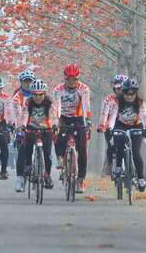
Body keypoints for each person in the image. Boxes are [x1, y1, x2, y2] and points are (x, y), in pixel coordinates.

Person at [104, 78, 146, 192]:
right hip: (121, 125)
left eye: (132, 93)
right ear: (123, 93)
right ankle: (118, 166)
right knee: (118, 142)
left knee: (136, 152)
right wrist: (110, 128)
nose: (130, 96)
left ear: (136, 93)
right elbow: (113, 116)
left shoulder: (140, 102)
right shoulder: (117, 102)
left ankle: (140, 178)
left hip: (136, 125)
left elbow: (144, 116)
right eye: (127, 93)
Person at [53, 63, 91, 193]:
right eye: (69, 79)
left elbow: (86, 105)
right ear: (64, 79)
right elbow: (56, 107)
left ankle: (81, 180)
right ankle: (60, 158)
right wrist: (56, 121)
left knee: (82, 149)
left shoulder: (84, 89)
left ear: (78, 79)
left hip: (78, 118)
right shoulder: (58, 89)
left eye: (75, 79)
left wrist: (89, 121)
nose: (72, 82)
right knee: (59, 137)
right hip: (63, 117)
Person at [17, 79, 58, 190]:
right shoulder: (28, 102)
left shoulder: (49, 102)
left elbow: (53, 115)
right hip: (32, 128)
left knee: (47, 154)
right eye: (35, 94)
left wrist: (54, 125)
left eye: (41, 94)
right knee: (28, 146)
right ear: (32, 94)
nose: (38, 97)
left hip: (46, 129)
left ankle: (47, 175)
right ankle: (29, 165)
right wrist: (23, 126)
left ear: (44, 93)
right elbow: (24, 114)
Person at [98, 75, 128, 175]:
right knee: (112, 146)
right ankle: (110, 164)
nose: (119, 90)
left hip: (127, 125)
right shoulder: (109, 99)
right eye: (117, 88)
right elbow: (104, 113)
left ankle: (132, 166)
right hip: (111, 126)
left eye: (121, 88)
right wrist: (102, 125)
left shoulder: (131, 98)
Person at [12, 68, 35, 192]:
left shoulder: (39, 91)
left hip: (37, 123)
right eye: (25, 81)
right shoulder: (17, 96)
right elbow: (16, 113)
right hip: (22, 123)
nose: (28, 83)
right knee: (22, 150)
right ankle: (20, 178)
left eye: (30, 81)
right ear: (21, 82)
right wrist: (19, 128)